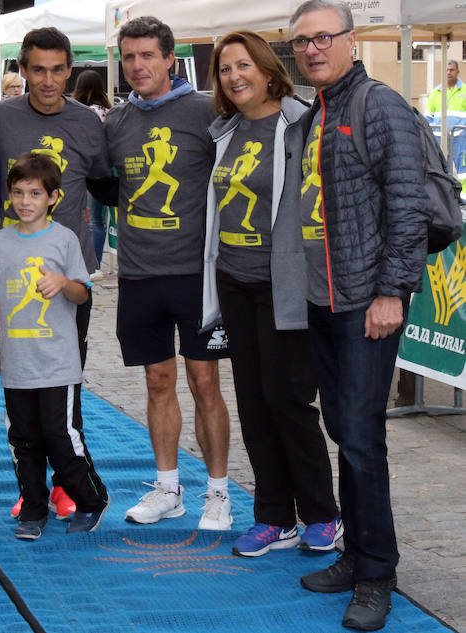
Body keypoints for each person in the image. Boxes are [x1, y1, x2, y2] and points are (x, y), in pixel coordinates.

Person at [288, 2, 430, 630]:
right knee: (345, 430)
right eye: (301, 42)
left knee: (363, 439)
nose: (313, 49)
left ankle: (376, 573)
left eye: (324, 37)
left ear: (350, 41)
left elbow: (406, 203)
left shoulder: (378, 105)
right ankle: (356, 553)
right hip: (324, 301)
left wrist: (392, 290)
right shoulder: (317, 112)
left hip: (366, 302)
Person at [201, 30, 341, 557]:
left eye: (243, 66)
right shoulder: (226, 130)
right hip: (234, 281)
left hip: (283, 285)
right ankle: (273, 516)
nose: (234, 77)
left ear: (265, 67)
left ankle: (323, 514)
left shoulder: (301, 123)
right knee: (254, 403)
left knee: (289, 401)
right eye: (224, 69)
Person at [101, 16, 232, 531]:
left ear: (169, 60)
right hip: (138, 272)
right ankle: (168, 487)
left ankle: (218, 492)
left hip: (195, 273)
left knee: (204, 381)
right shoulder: (115, 122)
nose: (137, 66)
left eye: (147, 56)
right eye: (129, 57)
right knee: (158, 380)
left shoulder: (207, 111)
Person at [0, 27, 110, 520]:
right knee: (23, 393)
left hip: (68, 281)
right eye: (38, 69)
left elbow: (108, 183)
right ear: (23, 69)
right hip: (14, 280)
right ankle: (33, 483)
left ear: (71, 69)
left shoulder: (88, 124)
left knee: (62, 394)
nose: (49, 80)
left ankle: (66, 485)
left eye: (59, 69)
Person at [0, 153, 109, 540]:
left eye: (35, 193)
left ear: (53, 197)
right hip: (17, 366)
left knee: (61, 436)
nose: (25, 201)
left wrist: (61, 284)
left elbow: (82, 294)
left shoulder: (65, 239)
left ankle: (91, 499)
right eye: (18, 193)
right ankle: (33, 508)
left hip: (57, 364)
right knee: (23, 440)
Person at [71, 69, 111, 266]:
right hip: (103, 169)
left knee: (87, 218)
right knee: (98, 219)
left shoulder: (79, 112)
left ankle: (89, 261)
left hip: (84, 169)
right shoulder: (107, 111)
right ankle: (96, 260)